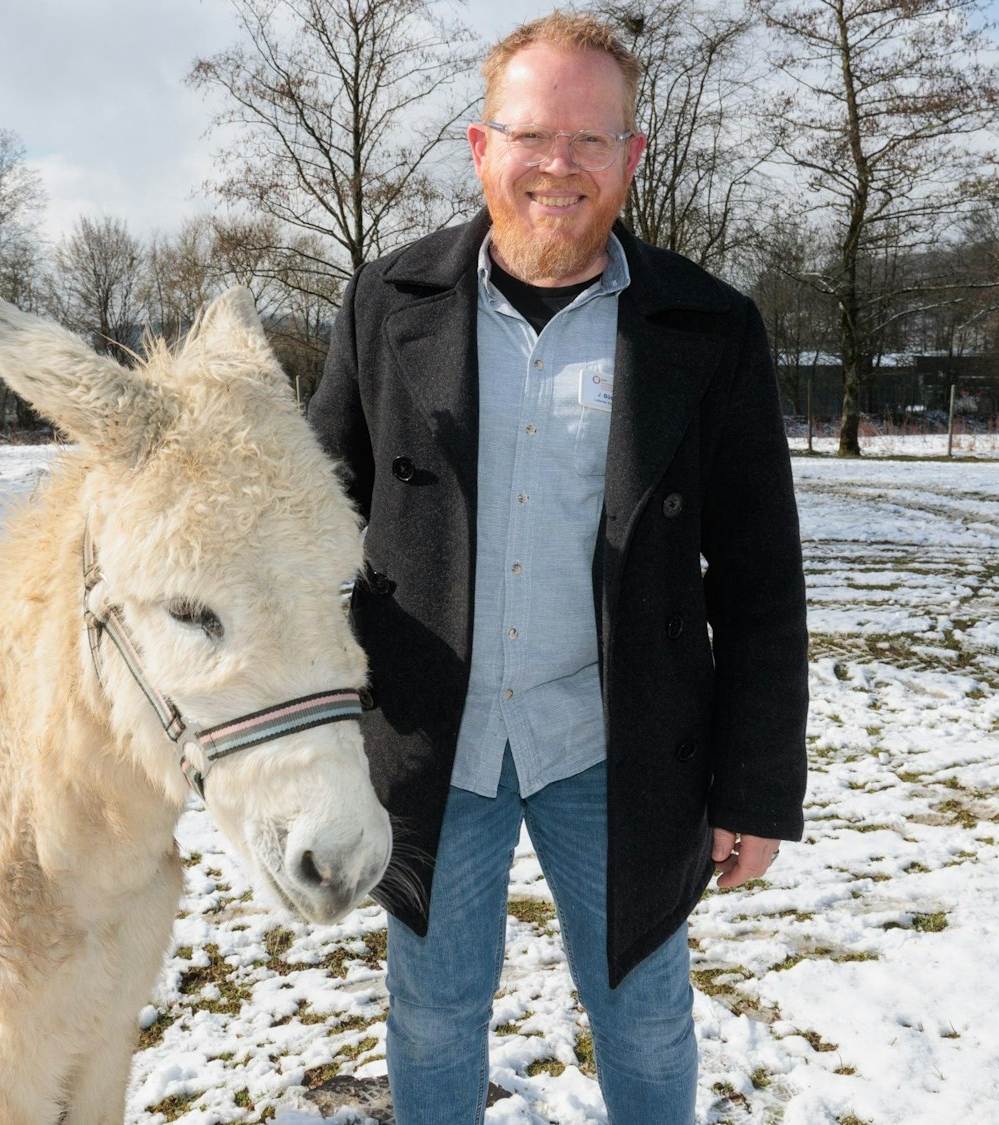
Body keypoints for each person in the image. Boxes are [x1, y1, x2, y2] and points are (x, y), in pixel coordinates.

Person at [305, 12, 808, 1123]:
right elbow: (313, 520)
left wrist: (757, 786)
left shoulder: (709, 326)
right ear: (482, 147)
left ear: (632, 157)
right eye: (533, 135)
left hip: (619, 745)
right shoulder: (382, 304)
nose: (559, 166)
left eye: (592, 140)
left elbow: (761, 581)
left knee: (641, 1012)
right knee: (431, 1013)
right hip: (435, 741)